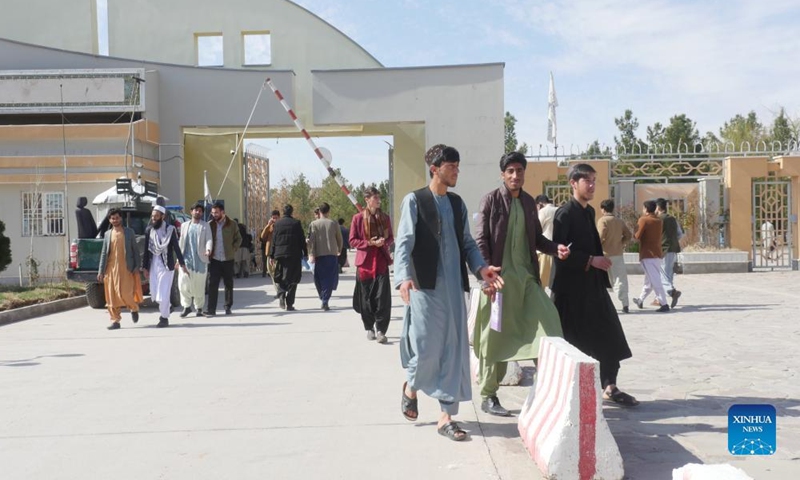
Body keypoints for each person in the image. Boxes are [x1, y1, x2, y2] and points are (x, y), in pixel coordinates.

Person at [395, 144, 503, 442]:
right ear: (435, 168)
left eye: (458, 165)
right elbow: (404, 242)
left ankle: (446, 417)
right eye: (451, 166)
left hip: (454, 288)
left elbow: (467, 243)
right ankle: (411, 387)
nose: (457, 170)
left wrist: (481, 269)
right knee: (427, 349)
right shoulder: (414, 201)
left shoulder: (456, 204)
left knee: (454, 351)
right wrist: (403, 277)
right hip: (423, 287)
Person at [474, 152, 570, 416]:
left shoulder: (529, 203)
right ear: (503, 174)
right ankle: (489, 394)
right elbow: (480, 239)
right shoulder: (490, 201)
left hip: (527, 280)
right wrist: (486, 275)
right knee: (495, 337)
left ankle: (549, 388)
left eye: (520, 170)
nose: (516, 175)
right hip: (499, 283)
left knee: (549, 324)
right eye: (511, 171)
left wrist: (555, 248)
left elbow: (536, 239)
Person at [551, 163, 639, 407]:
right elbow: (559, 252)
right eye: (586, 180)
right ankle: (569, 394)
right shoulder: (564, 214)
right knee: (573, 342)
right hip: (571, 292)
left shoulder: (589, 212)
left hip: (593, 287)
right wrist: (590, 260)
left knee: (609, 334)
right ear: (573, 183)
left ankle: (609, 386)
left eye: (593, 180)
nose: (591, 185)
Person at [350, 187, 394, 343]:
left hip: (381, 262)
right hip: (365, 265)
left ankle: (381, 330)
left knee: (382, 298)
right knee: (366, 299)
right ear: (367, 199)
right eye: (375, 197)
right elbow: (353, 240)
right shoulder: (358, 218)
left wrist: (384, 242)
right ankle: (369, 328)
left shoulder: (385, 218)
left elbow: (390, 238)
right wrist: (369, 243)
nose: (378, 200)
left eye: (378, 197)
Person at [142, 205, 187, 328]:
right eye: (152, 216)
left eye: (156, 216)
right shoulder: (149, 230)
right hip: (153, 266)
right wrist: (144, 267)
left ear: (163, 216)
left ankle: (164, 318)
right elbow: (147, 251)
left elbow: (176, 248)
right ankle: (168, 307)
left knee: (162, 294)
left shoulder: (170, 230)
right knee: (155, 294)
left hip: (166, 266)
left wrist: (182, 264)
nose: (153, 218)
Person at [97, 208, 142, 330]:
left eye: (117, 217)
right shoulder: (107, 234)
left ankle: (134, 308)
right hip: (110, 269)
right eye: (112, 218)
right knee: (111, 296)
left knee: (126, 293)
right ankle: (115, 321)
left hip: (126, 268)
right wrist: (101, 271)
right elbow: (103, 253)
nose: (115, 220)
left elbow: (135, 251)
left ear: (121, 218)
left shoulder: (129, 232)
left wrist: (137, 266)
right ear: (109, 220)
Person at [632, 200, 670, 312]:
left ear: (645, 209)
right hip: (657, 253)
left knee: (654, 280)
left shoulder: (644, 219)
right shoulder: (658, 220)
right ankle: (640, 299)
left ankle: (664, 303)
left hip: (647, 254)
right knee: (649, 280)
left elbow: (637, 236)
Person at [597, 199, 633, 313]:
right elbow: (628, 235)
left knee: (601, 281)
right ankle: (625, 303)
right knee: (620, 279)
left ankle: (603, 305)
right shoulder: (619, 221)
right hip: (618, 254)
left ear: (603, 209)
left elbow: (600, 236)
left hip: (604, 254)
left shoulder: (603, 221)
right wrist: (621, 243)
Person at [178, 202, 212, 318]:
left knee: (199, 285)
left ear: (202, 213)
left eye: (200, 211)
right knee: (183, 282)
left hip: (200, 260)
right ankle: (186, 306)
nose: (198, 212)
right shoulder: (184, 225)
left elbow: (209, 239)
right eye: (196, 210)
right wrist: (179, 259)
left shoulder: (205, 225)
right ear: (191, 211)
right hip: (186, 259)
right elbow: (181, 242)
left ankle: (199, 308)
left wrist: (208, 250)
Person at [207, 202, 242, 316]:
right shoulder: (210, 224)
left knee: (228, 283)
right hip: (215, 259)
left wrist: (233, 248)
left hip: (228, 258)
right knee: (213, 284)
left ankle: (228, 306)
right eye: (212, 213)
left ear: (222, 212)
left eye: (216, 212)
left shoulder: (232, 224)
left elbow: (238, 238)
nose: (214, 215)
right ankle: (211, 309)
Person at [269, 204, 307, 311]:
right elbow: (301, 239)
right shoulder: (296, 223)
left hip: (280, 254)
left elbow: (274, 240)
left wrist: (272, 255)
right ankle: (289, 303)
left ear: (283, 212)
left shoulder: (278, 224)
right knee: (293, 278)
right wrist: (305, 252)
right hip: (294, 254)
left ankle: (281, 295)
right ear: (291, 212)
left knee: (281, 276)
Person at [308, 202, 343, 311]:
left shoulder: (313, 224)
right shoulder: (334, 223)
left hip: (319, 255)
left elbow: (311, 241)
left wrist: (311, 253)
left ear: (319, 211)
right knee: (329, 278)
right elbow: (339, 238)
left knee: (318, 278)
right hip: (332, 254)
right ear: (328, 211)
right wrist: (339, 249)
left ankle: (323, 297)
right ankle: (325, 299)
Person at [656, 198, 682, 308]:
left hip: (663, 249)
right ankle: (663, 297)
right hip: (674, 248)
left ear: (658, 207)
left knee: (662, 275)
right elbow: (680, 234)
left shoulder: (658, 220)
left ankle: (672, 291)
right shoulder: (673, 219)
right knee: (669, 274)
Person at [535, 194, 558, 290]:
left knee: (541, 282)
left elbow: (537, 228)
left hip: (544, 249)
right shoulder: (558, 210)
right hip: (557, 248)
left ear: (540, 203)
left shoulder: (543, 211)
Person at [259, 210, 280, 278]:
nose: (274, 220)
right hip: (270, 251)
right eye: (273, 218)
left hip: (279, 251)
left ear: (279, 218)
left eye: (276, 218)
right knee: (271, 271)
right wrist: (268, 225)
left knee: (278, 270)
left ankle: (278, 285)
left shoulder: (281, 226)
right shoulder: (269, 227)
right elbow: (262, 237)